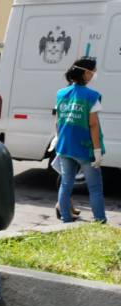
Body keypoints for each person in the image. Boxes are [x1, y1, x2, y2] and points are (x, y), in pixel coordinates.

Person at [55, 57, 107, 223]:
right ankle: (100, 221)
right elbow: (93, 125)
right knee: (95, 187)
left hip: (65, 147)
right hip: (85, 149)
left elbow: (58, 121)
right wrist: (97, 150)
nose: (94, 75)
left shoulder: (61, 93)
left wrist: (58, 139)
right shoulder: (92, 96)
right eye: (93, 71)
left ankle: (66, 219)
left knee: (66, 184)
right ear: (86, 73)